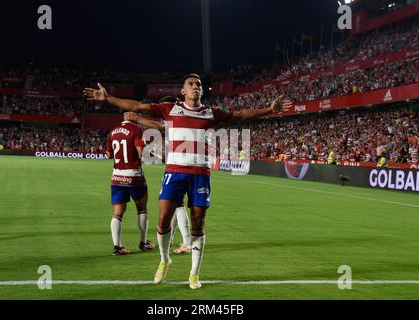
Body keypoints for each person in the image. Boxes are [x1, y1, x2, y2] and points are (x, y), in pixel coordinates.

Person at [84, 74, 292, 289]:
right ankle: (165, 260)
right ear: (183, 91)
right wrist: (107, 98)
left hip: (200, 173)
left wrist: (269, 109)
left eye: (198, 85)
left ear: (202, 91)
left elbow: (240, 115)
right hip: (174, 172)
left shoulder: (211, 112)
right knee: (164, 219)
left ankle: (194, 274)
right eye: (191, 84)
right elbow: (136, 105)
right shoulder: (169, 108)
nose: (195, 87)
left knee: (198, 223)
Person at [124, 110, 192, 254]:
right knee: (175, 203)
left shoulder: (176, 121)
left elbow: (158, 125)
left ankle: (187, 242)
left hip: (178, 167)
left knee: (178, 205)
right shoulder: (186, 121)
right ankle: (172, 238)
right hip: (185, 165)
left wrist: (138, 118)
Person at [106, 113, 156, 255]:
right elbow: (141, 152)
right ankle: (143, 242)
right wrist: (152, 153)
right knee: (141, 209)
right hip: (134, 176)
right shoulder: (135, 130)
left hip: (117, 177)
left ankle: (117, 246)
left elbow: (108, 154)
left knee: (117, 213)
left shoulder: (113, 131)